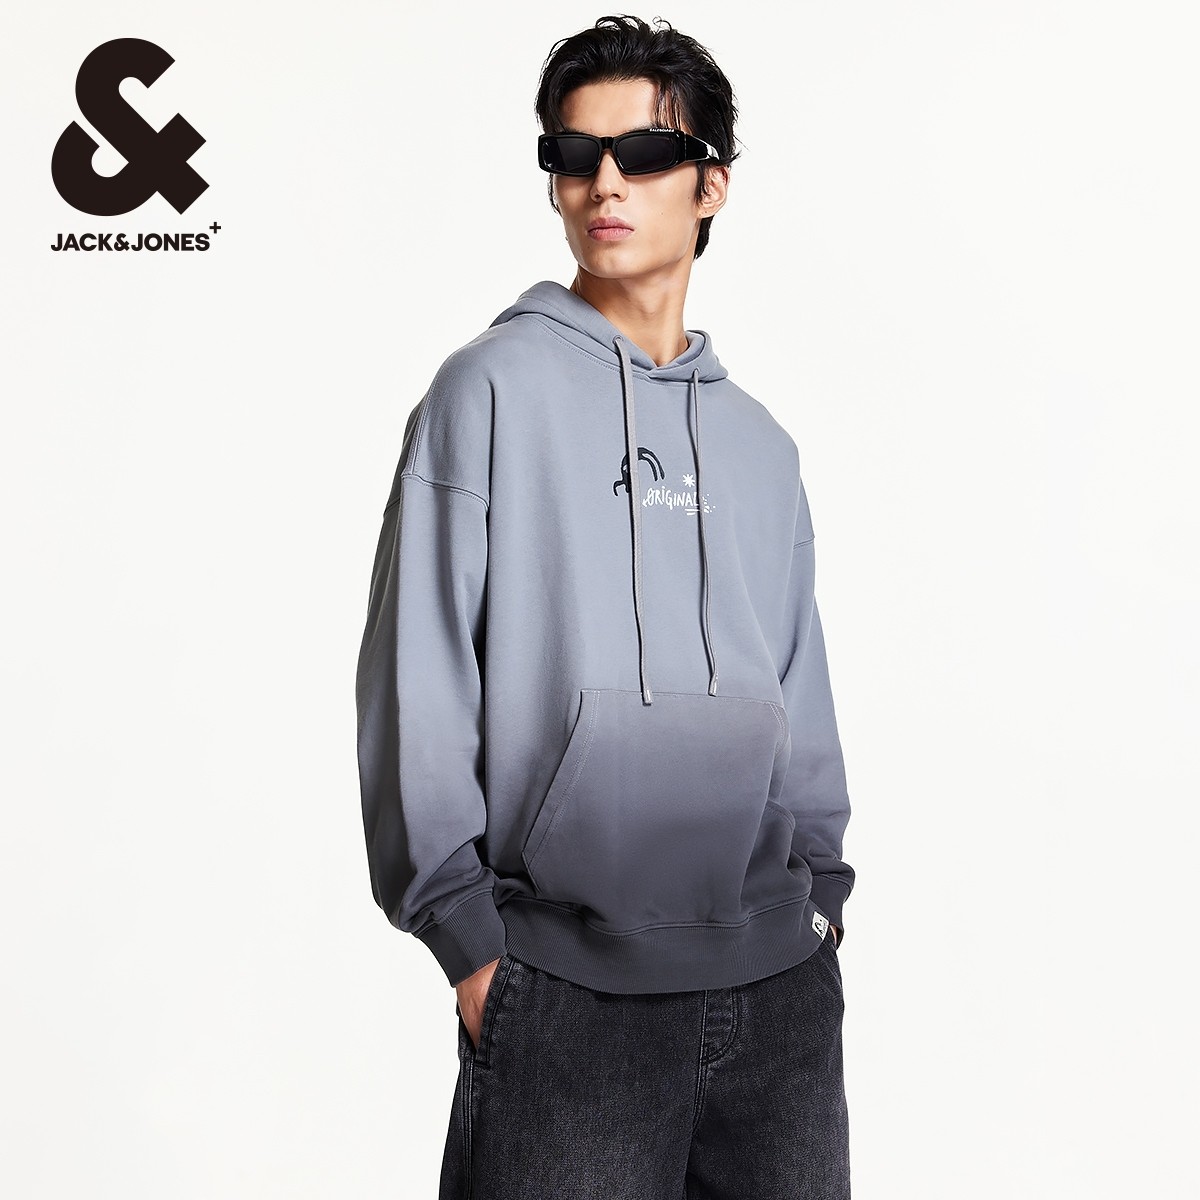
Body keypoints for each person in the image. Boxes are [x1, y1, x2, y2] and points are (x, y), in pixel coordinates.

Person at [355, 14, 856, 1198]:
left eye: (644, 153)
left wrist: (823, 901)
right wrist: (473, 949)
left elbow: (797, 690)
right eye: (576, 156)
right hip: (565, 996)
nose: (606, 184)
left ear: (711, 184)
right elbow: (416, 679)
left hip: (777, 994)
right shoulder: (486, 393)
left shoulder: (760, 446)